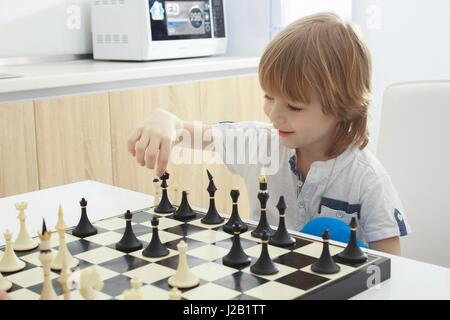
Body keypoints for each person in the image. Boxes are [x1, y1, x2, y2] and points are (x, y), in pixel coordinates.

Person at [127, 13, 410, 255]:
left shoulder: (368, 180)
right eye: (269, 97)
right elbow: (187, 132)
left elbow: (393, 269)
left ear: (343, 106)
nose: (274, 115)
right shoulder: (261, 144)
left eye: (294, 106)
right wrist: (166, 121)